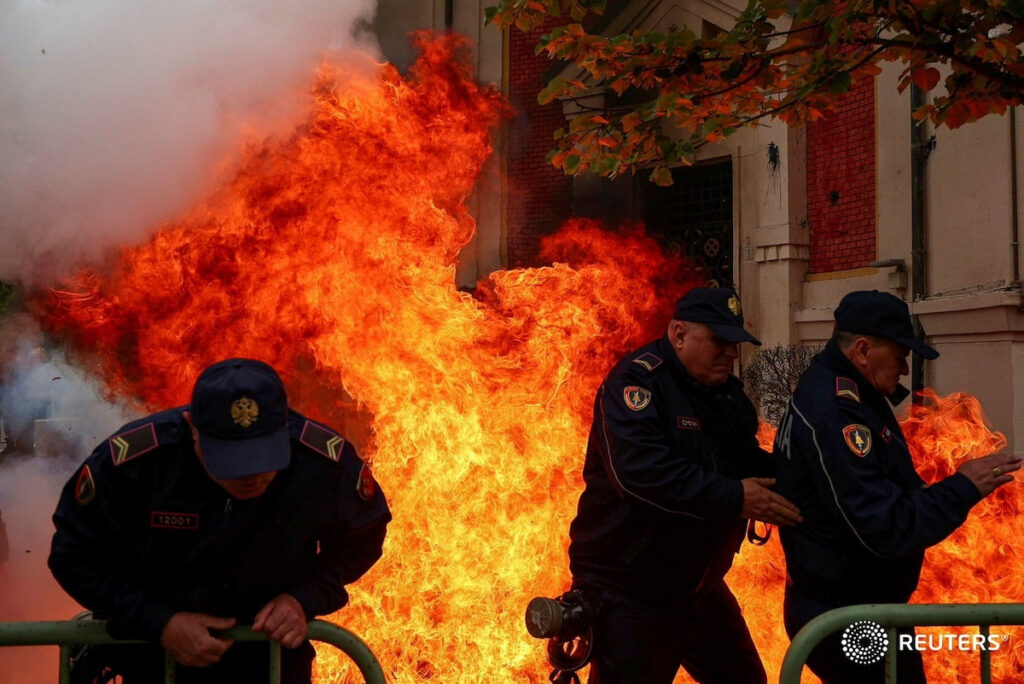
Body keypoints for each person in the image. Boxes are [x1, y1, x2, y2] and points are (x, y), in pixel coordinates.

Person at [49, 358, 391, 683]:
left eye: (263, 458)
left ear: (285, 426)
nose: (252, 476)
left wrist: (304, 598)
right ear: (192, 429)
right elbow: (74, 556)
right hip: (156, 662)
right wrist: (157, 621)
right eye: (232, 462)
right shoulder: (135, 465)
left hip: (271, 665)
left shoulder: (322, 463)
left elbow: (364, 535)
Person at [773, 290, 1021, 683]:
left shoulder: (847, 391)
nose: (905, 369)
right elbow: (883, 527)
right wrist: (963, 487)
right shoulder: (838, 412)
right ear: (863, 349)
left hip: (859, 609)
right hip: (848, 618)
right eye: (901, 355)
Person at [566, 286, 803, 684]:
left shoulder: (725, 394)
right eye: (719, 341)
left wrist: (804, 477)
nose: (731, 352)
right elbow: (641, 477)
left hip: (698, 587)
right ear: (678, 334)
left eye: (735, 343)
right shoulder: (636, 386)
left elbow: (746, 460)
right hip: (630, 592)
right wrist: (736, 497)